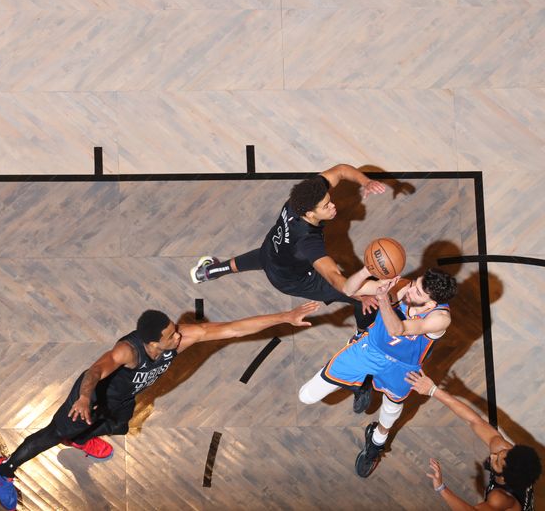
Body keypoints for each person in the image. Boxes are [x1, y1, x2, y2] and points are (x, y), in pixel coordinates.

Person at [0, 301, 321, 510]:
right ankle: (3, 469)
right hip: (88, 401)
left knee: (120, 426)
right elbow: (94, 370)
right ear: (150, 343)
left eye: (176, 332)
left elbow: (232, 329)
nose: (179, 337)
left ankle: (78, 440)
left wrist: (285, 316)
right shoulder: (128, 351)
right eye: (171, 336)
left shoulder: (178, 338)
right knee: (50, 435)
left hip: (122, 401)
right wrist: (85, 397)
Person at [298, 266, 457, 478]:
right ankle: (362, 383)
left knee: (392, 405)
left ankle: (377, 441)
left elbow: (398, 329)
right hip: (370, 349)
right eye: (414, 284)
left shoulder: (440, 318)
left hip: (403, 365)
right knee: (306, 396)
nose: (410, 290)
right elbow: (348, 288)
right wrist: (365, 271)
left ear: (431, 303)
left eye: (417, 292)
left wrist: (383, 299)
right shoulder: (403, 286)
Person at [190, 164, 386, 335]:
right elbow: (337, 280)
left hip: (272, 250)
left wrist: (365, 181)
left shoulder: (300, 200)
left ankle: (207, 271)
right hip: (294, 280)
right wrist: (375, 287)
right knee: (364, 300)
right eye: (326, 206)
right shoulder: (308, 242)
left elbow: (341, 170)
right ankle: (363, 337)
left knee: (260, 257)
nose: (333, 206)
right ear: (310, 213)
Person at [406, 370, 541, 511]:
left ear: (506, 477)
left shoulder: (500, 498)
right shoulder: (507, 453)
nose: (493, 455)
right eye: (500, 453)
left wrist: (441, 488)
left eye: (496, 461)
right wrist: (433, 390)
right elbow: (473, 421)